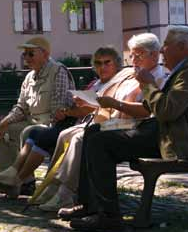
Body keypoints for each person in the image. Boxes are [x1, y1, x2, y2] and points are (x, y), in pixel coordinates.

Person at [57, 25, 188, 232]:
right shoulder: (185, 71)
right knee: (93, 133)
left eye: (166, 46)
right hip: (168, 133)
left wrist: (148, 85)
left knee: (100, 142)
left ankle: (109, 217)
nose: (162, 51)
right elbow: (158, 108)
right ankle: (91, 206)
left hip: (181, 142)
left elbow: (165, 111)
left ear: (182, 47)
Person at [36, 34, 167, 212]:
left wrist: (113, 104)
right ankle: (52, 186)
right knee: (67, 133)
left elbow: (146, 110)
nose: (134, 60)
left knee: (81, 138)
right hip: (118, 121)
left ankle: (67, 193)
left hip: (134, 125)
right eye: (132, 55)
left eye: (139, 55)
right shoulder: (130, 74)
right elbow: (109, 99)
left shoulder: (158, 77)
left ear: (155, 55)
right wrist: (89, 102)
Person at [0, 37, 76, 196]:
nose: (26, 58)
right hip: (32, 120)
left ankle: (21, 182)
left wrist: (48, 125)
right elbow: (21, 107)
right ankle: (11, 180)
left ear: (45, 54)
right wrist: (5, 121)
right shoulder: (29, 77)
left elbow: (59, 108)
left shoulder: (58, 71)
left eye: (30, 54)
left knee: (27, 131)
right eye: (24, 54)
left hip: (51, 123)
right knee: (5, 131)